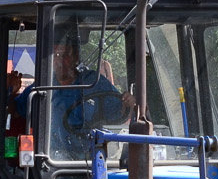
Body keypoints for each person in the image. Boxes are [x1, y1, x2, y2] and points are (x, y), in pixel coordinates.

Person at [8, 30, 133, 159]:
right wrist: (10, 91)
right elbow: (15, 112)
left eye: (65, 54)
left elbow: (121, 113)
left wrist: (128, 103)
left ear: (76, 57)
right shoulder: (41, 86)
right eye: (56, 55)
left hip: (88, 162)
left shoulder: (95, 83)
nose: (60, 60)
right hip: (48, 162)